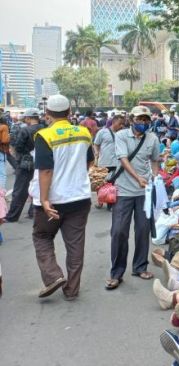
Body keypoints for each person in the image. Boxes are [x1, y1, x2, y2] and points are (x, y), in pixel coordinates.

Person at [30, 95, 94, 300]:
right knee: (75, 245)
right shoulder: (84, 133)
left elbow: (45, 171)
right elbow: (89, 163)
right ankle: (72, 290)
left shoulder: (44, 135)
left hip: (53, 201)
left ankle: (53, 276)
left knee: (42, 237)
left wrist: (45, 199)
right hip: (79, 198)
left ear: (47, 114)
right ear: (69, 113)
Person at [106, 106, 160, 290]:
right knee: (119, 231)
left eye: (146, 119)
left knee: (143, 230)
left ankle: (139, 267)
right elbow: (123, 159)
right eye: (139, 119)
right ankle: (116, 273)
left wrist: (155, 176)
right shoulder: (121, 136)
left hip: (144, 192)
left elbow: (155, 159)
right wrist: (138, 178)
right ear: (131, 119)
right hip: (123, 191)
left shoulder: (153, 138)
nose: (143, 122)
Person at [5, 108, 43, 222]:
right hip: (42, 162)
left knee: (20, 190)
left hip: (26, 163)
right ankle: (33, 211)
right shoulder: (45, 129)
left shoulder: (25, 131)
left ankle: (13, 216)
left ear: (28, 118)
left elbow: (19, 147)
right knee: (38, 187)